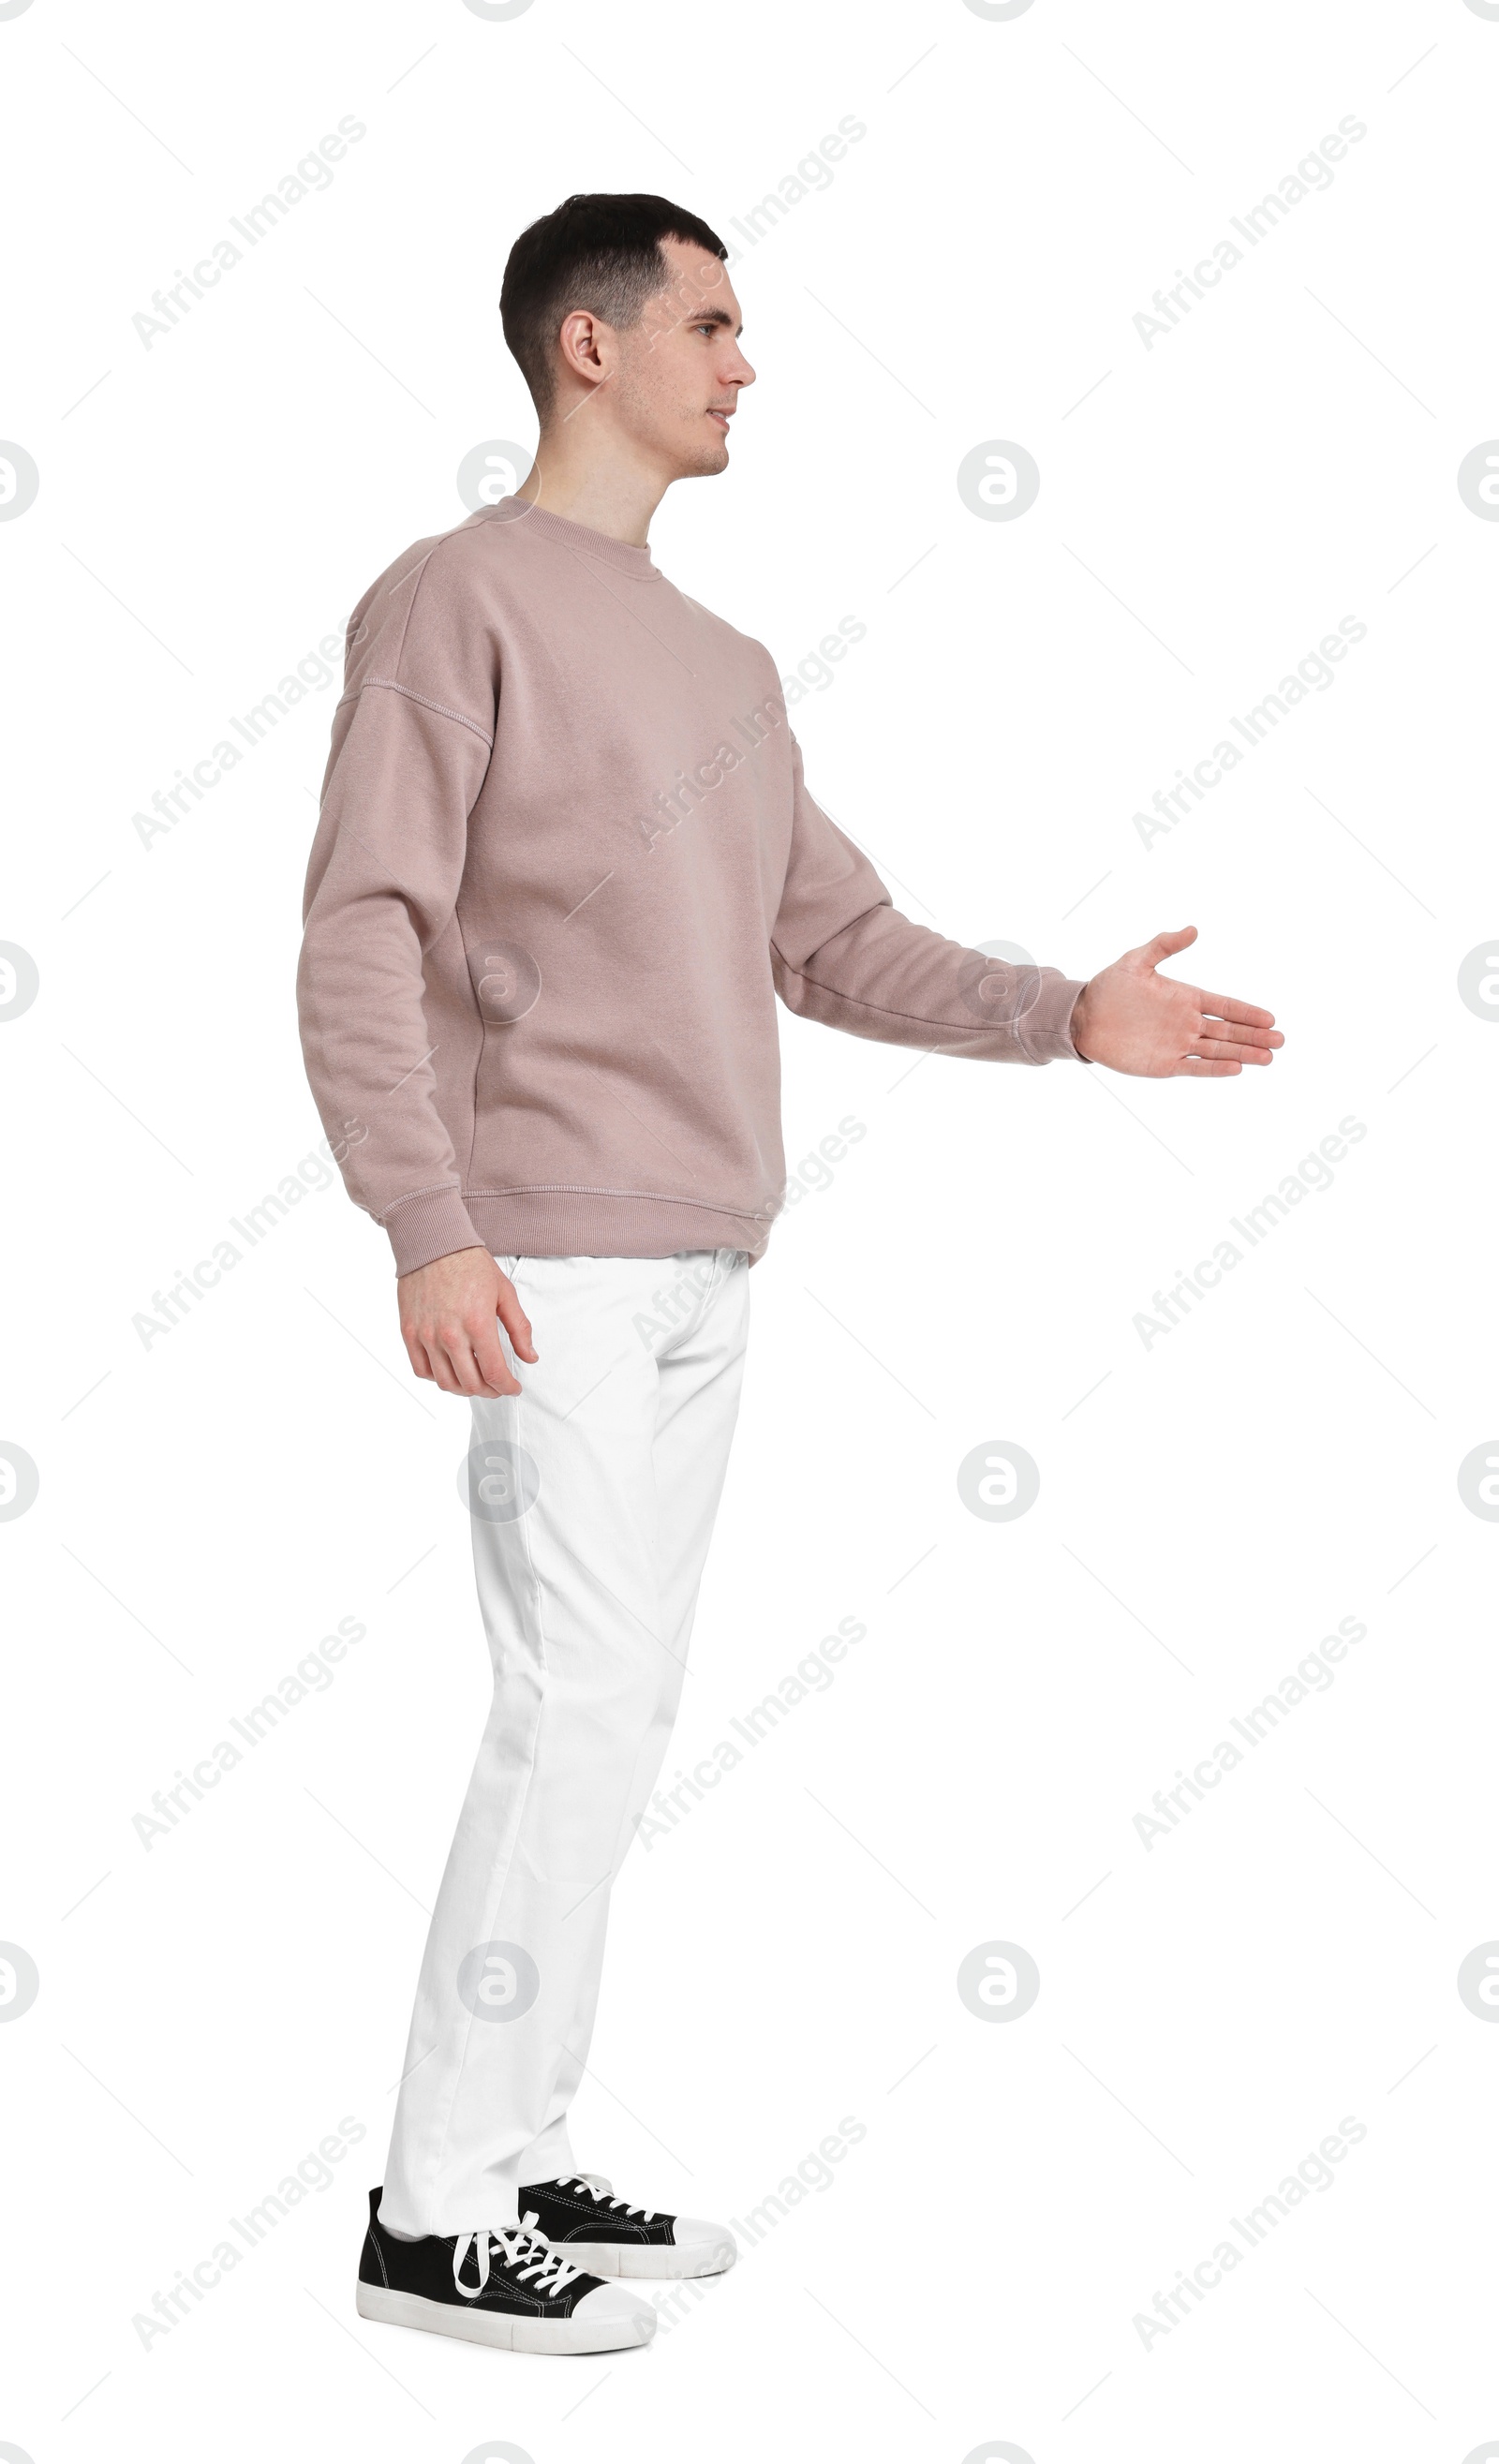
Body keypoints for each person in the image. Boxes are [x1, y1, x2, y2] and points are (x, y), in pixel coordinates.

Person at [296, 190, 1284, 2357]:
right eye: (714, 324)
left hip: (702, 1260)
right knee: (571, 1712)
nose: (747, 363)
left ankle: (516, 2135)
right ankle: (432, 2212)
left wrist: (1059, 1013)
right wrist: (428, 1221)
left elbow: (827, 938)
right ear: (586, 342)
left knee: (614, 1716)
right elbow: (364, 923)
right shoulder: (451, 603)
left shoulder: (724, 669)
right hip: (539, 1255)